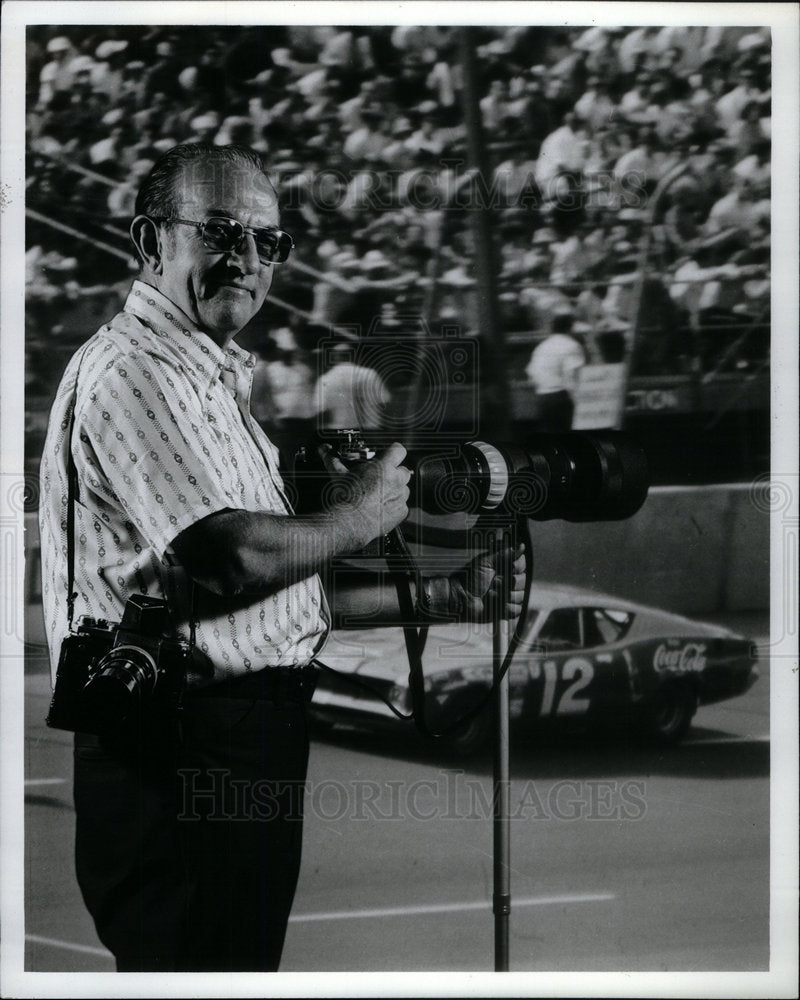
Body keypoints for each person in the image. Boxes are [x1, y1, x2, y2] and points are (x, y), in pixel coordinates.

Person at [38, 143, 524, 973]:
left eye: (269, 243)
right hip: (181, 746)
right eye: (222, 232)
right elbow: (227, 558)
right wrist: (360, 515)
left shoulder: (210, 377)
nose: (248, 260)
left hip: (237, 737)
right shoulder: (134, 369)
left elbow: (271, 593)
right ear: (151, 242)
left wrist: (442, 597)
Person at [525, 311, 586, 431]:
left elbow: (531, 373)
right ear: (570, 328)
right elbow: (572, 377)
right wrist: (580, 404)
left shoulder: (542, 346)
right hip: (561, 399)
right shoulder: (571, 345)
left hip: (542, 397)